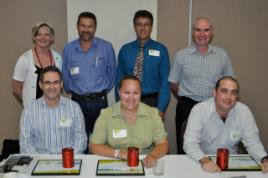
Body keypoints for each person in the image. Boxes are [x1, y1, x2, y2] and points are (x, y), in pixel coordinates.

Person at [168, 17, 234, 154]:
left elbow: (230, 81)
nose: (202, 34)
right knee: (185, 146)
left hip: (214, 107)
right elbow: (172, 81)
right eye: (198, 30)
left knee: (214, 147)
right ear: (193, 32)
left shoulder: (222, 55)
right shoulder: (181, 55)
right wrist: (183, 94)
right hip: (187, 107)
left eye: (206, 30)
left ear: (211, 33)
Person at [183, 76, 268, 173]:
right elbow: (190, 143)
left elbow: (253, 143)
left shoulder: (244, 111)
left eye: (233, 93)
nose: (228, 97)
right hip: (202, 160)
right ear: (214, 93)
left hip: (232, 163)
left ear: (237, 96)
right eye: (224, 91)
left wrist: (264, 159)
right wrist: (204, 160)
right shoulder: (199, 110)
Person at [90, 75, 168, 168]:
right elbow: (94, 146)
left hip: (145, 162)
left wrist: (153, 155)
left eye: (135, 93)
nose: (131, 98)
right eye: (126, 92)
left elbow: (163, 144)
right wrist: (118, 153)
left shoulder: (153, 114)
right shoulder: (106, 115)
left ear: (140, 94)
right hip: (114, 161)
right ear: (119, 93)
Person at [62, 12, 116, 138]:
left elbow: (112, 75)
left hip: (100, 102)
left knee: (102, 140)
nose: (86, 29)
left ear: (95, 27)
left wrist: (99, 92)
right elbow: (66, 76)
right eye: (83, 26)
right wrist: (76, 92)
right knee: (79, 141)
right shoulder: (68, 49)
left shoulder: (106, 47)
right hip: (77, 102)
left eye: (90, 26)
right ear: (77, 26)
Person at [115, 10, 170, 119]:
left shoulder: (161, 50)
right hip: (129, 101)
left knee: (152, 136)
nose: (143, 28)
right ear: (134, 27)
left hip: (153, 102)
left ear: (151, 27)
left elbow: (165, 82)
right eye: (139, 24)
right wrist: (119, 103)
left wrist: (161, 108)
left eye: (146, 25)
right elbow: (119, 80)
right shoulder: (125, 50)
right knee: (130, 135)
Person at [20, 66, 87, 154]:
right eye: (47, 83)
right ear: (41, 85)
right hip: (39, 165)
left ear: (61, 84)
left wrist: (66, 160)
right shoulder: (29, 111)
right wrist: (42, 163)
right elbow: (25, 145)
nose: (52, 87)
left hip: (68, 163)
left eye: (56, 82)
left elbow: (81, 142)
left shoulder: (74, 108)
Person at [12, 22, 62, 107]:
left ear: (51, 38)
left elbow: (58, 83)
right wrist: (26, 101)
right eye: (39, 34)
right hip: (32, 108)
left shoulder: (58, 58)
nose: (43, 38)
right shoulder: (24, 58)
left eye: (46, 34)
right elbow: (16, 88)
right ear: (34, 37)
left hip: (54, 106)